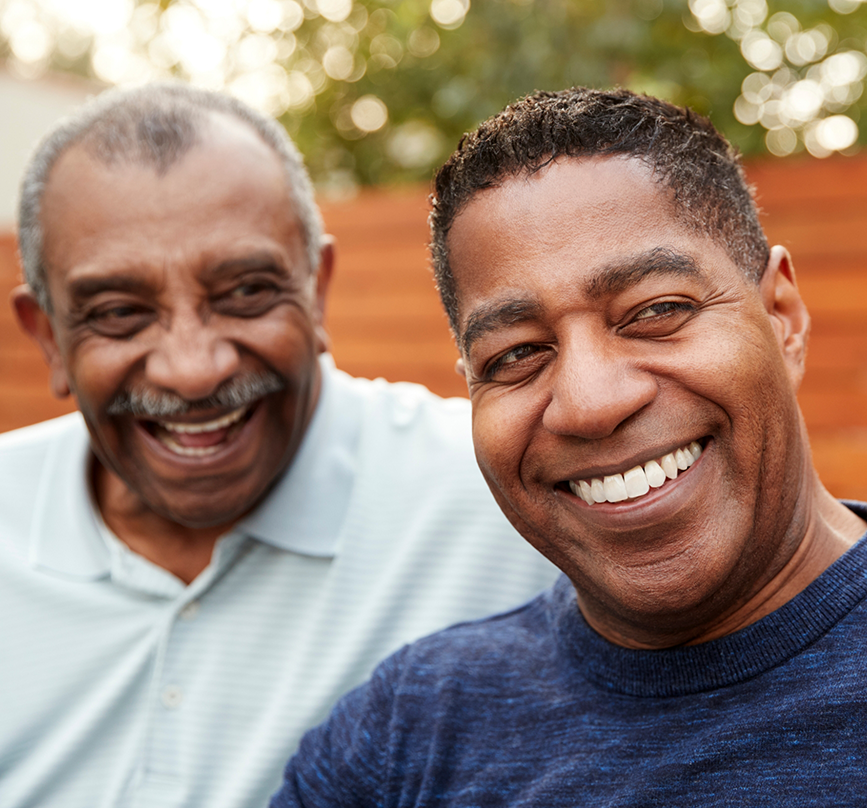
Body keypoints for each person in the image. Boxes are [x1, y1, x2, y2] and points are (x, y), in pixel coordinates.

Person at [271, 87, 867, 807]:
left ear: (782, 319)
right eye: (517, 353)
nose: (589, 404)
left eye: (656, 311)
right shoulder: (405, 737)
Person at [0, 83, 557, 808]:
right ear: (44, 334)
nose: (193, 369)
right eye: (118, 313)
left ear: (317, 290)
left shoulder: (504, 492)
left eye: (245, 292)